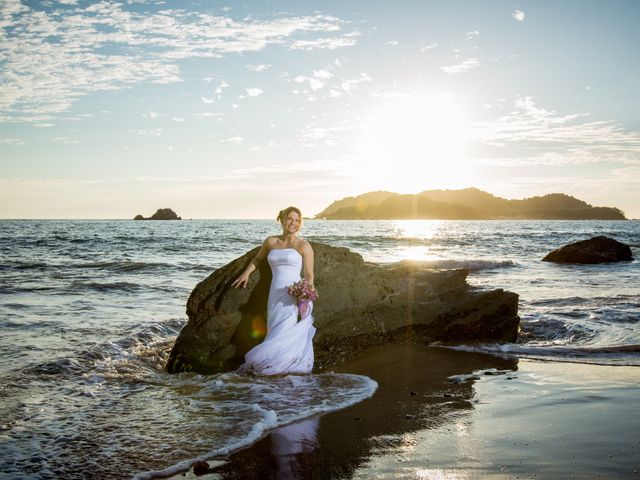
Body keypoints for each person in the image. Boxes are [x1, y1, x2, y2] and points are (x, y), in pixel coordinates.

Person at [232, 206, 317, 375]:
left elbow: (309, 274)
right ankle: (274, 363)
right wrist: (246, 273)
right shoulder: (271, 241)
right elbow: (258, 259)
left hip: (292, 293)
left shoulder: (303, 245)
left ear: (300, 224)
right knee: (273, 324)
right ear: (283, 219)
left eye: (297, 220)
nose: (293, 223)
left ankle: (280, 364)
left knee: (285, 325)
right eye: (290, 219)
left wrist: (306, 292)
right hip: (275, 292)